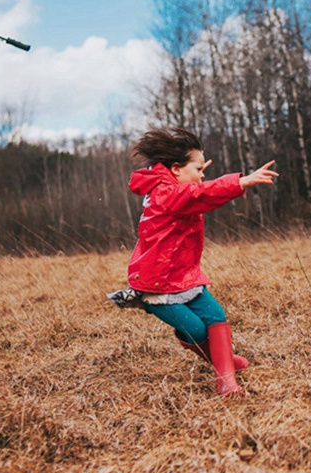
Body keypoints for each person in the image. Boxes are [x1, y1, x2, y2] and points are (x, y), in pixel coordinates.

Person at [109, 128, 278, 397]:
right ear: (176, 169)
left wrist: (194, 173)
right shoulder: (166, 194)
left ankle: (226, 381)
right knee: (196, 329)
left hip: (183, 277)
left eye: (203, 170)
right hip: (158, 285)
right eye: (198, 169)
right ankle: (222, 363)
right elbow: (199, 195)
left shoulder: (171, 186)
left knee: (216, 316)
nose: (201, 176)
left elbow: (195, 191)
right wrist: (241, 182)